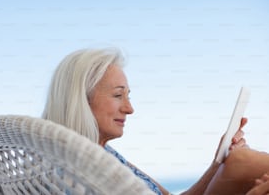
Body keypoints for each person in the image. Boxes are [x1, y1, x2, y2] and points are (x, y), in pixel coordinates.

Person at [42, 47, 269, 195]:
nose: (130, 108)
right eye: (118, 95)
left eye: (128, 96)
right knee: (241, 163)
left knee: (236, 161)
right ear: (81, 100)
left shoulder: (103, 155)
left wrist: (217, 162)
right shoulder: (77, 175)